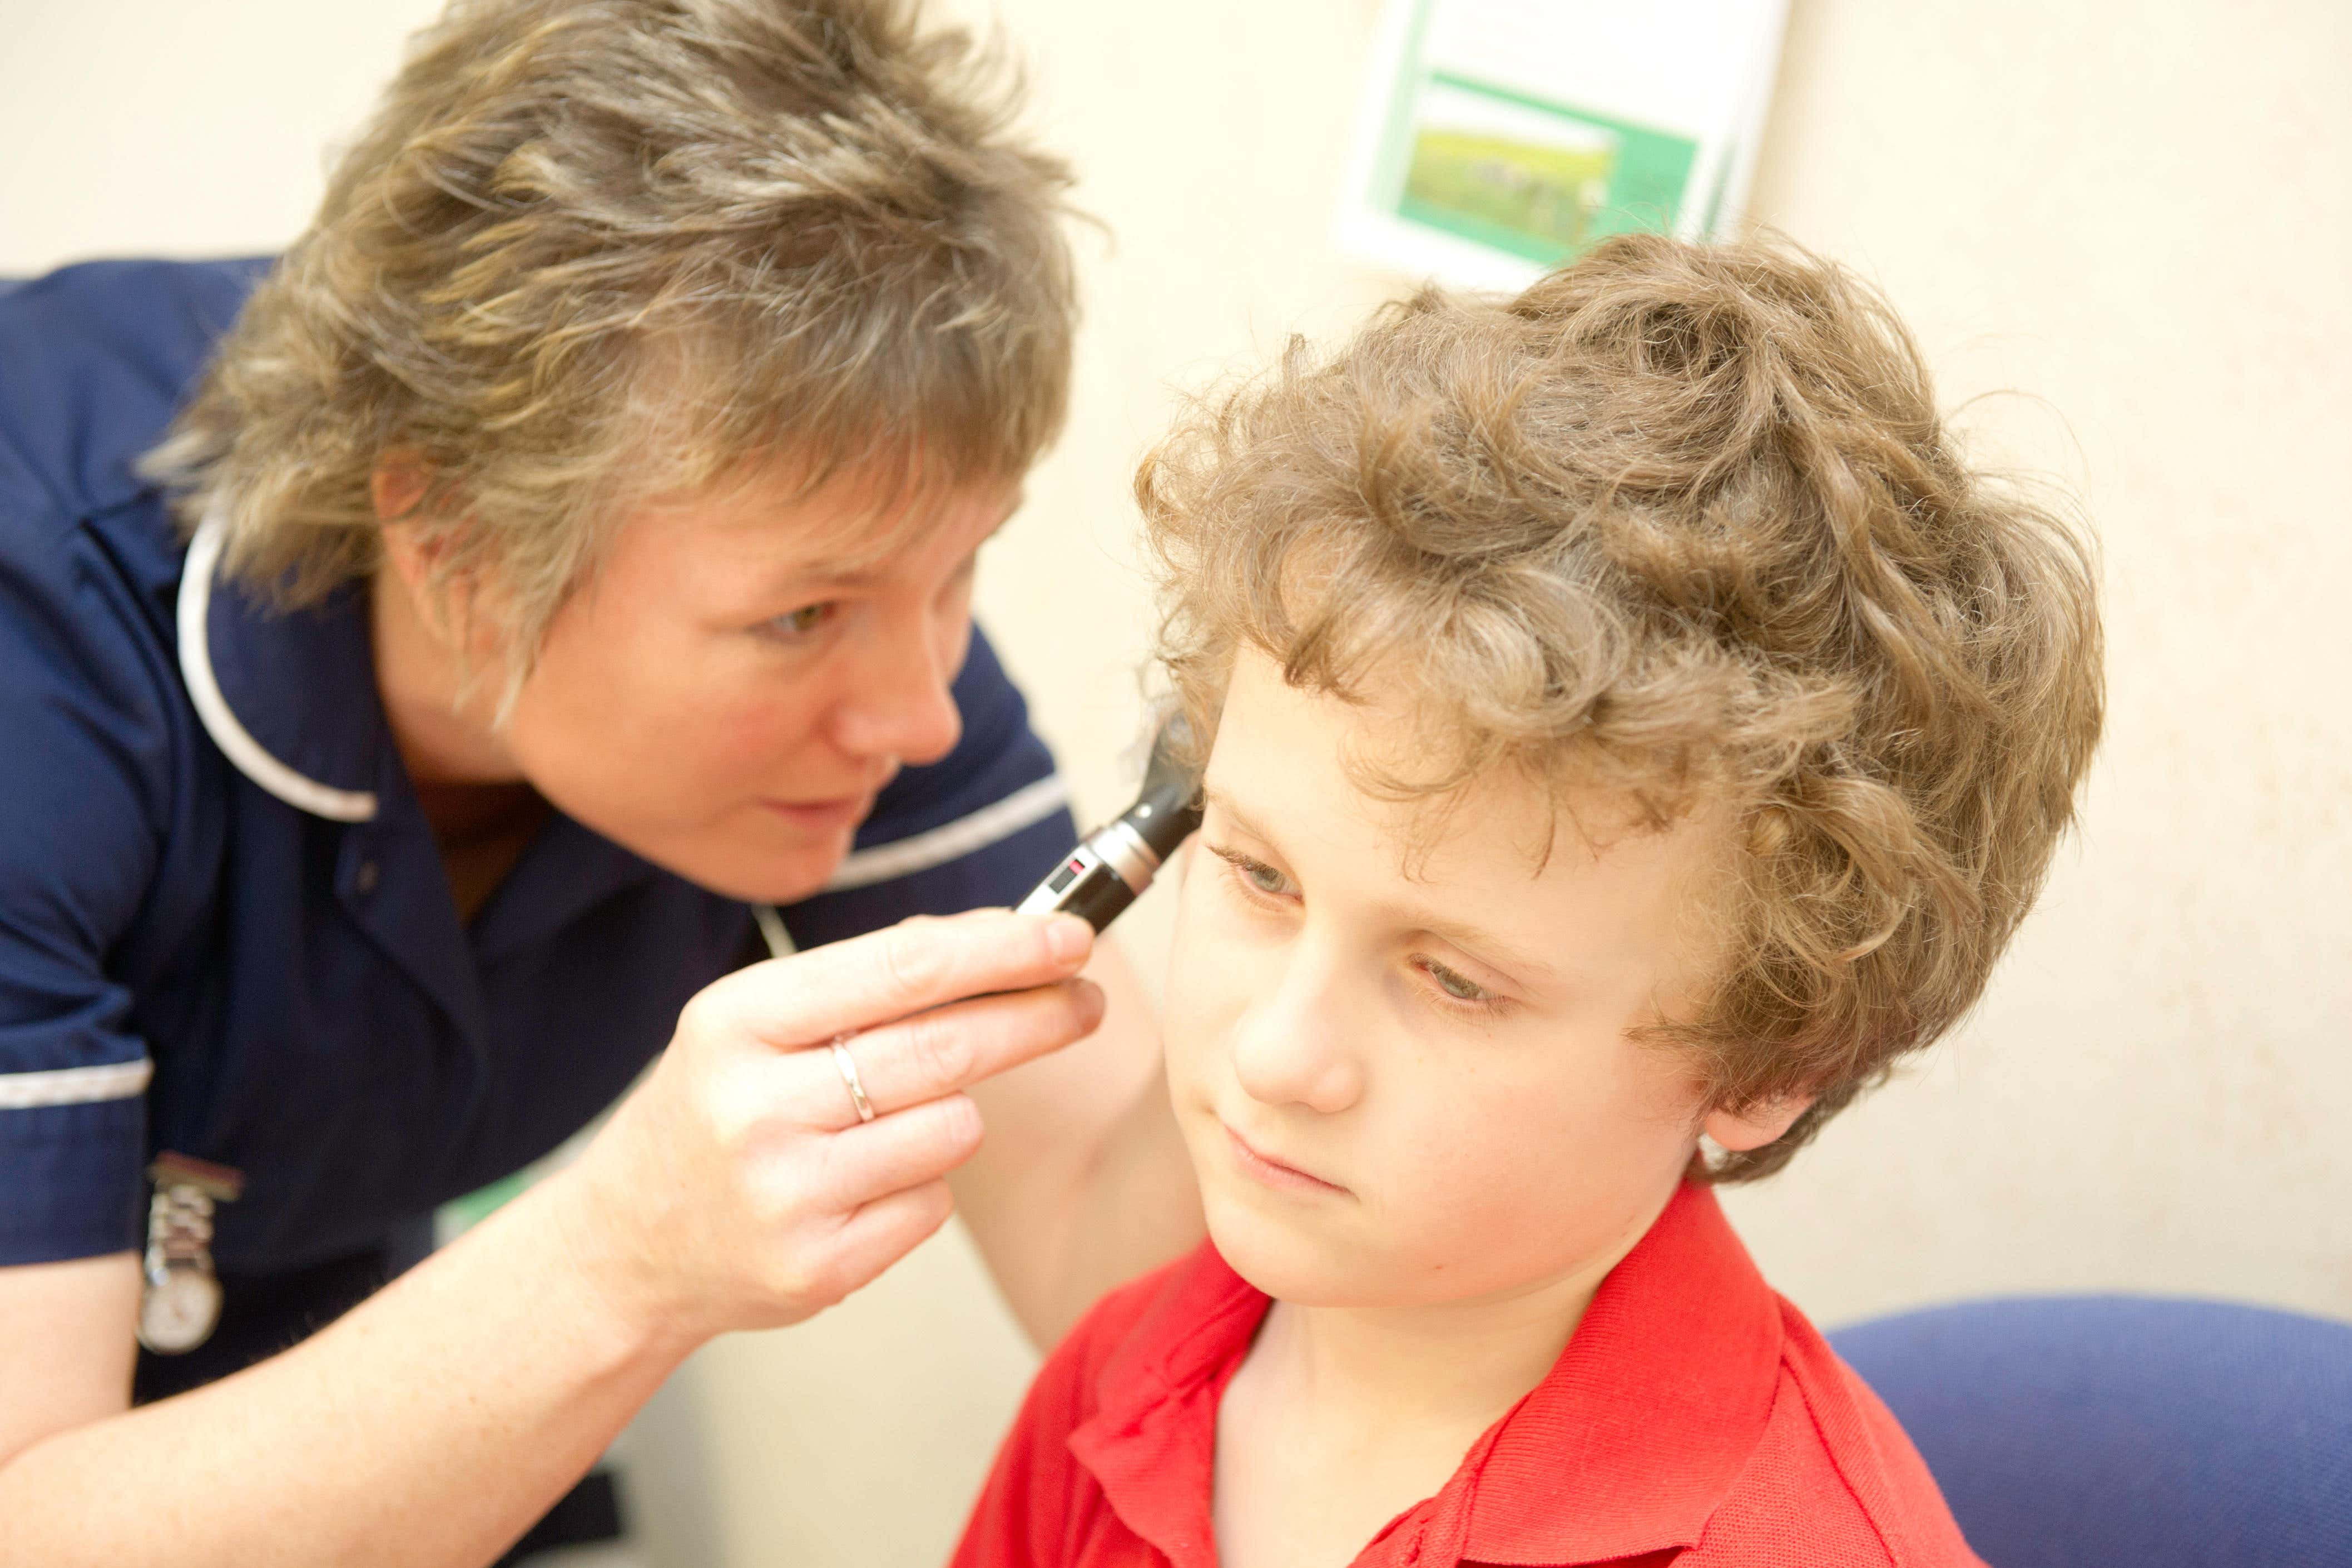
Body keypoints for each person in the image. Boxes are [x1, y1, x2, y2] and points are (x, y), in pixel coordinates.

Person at [0, 2, 1201, 1564]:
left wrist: (1311, 929)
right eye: (800, 617)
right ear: (457, 554)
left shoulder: (846, 625)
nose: (918, 715)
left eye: (959, 567)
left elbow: (1102, 1240)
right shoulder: (48, 661)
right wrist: (621, 1261)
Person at [950, 235, 2106, 1567]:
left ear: (1773, 1058)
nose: (1276, 1053)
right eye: (1261, 875)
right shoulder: (1118, 1387)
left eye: (1454, 979)